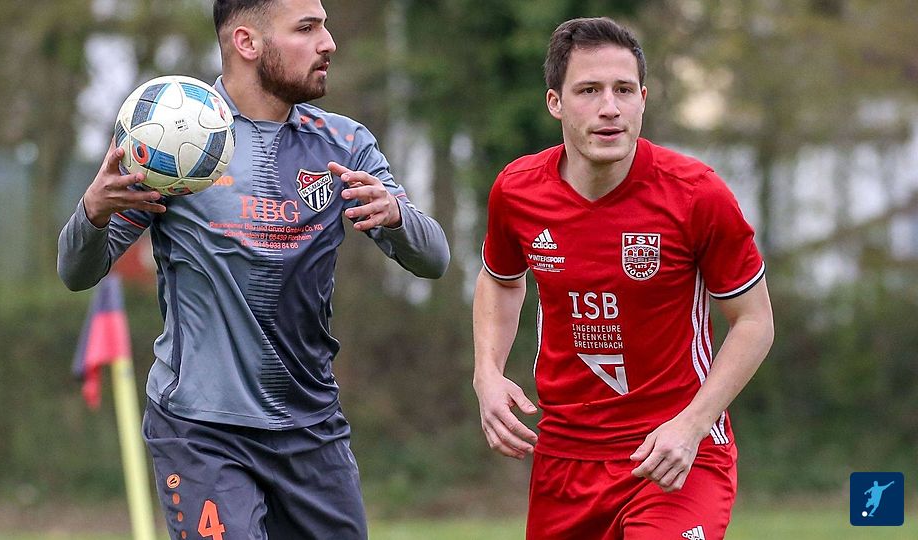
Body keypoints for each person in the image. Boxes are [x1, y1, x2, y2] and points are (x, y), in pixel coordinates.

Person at [58, 0, 449, 538]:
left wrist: (397, 216)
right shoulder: (174, 141)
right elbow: (76, 271)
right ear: (247, 43)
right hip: (201, 431)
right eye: (307, 28)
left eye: (324, 26)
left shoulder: (344, 144)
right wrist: (93, 212)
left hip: (311, 428)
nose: (328, 43)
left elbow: (434, 259)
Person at [473, 17, 774, 540]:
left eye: (624, 90)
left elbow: (754, 321)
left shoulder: (696, 194)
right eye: (589, 90)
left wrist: (693, 423)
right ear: (555, 103)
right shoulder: (517, 190)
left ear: (643, 99)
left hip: (675, 455)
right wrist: (487, 372)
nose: (609, 107)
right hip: (566, 460)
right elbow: (501, 280)